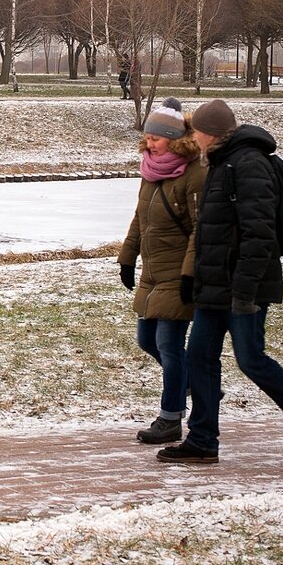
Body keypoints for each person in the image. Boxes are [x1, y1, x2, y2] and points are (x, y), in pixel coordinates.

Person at [156, 99, 283, 465]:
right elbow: (213, 232)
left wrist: (245, 291)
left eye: (196, 130)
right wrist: (193, 277)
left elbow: (259, 234)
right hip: (214, 286)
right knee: (200, 357)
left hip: (244, 288)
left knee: (250, 359)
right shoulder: (220, 161)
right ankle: (202, 441)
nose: (193, 137)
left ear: (211, 133)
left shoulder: (248, 163)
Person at [118, 98, 206, 445]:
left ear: (173, 138)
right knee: (146, 340)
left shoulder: (194, 173)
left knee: (169, 345)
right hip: (153, 273)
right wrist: (128, 257)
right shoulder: (150, 169)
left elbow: (201, 230)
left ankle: (170, 420)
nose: (149, 142)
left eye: (155, 137)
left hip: (178, 274)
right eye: (148, 138)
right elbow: (141, 218)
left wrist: (189, 274)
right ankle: (198, 387)